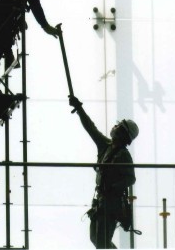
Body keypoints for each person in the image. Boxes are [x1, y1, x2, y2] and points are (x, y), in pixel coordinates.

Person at [69, 96, 139, 248]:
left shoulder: (123, 155)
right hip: (101, 200)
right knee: (95, 238)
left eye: (119, 126)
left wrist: (113, 187)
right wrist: (79, 109)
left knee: (101, 242)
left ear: (123, 133)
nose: (115, 127)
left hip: (111, 203)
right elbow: (91, 128)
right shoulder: (106, 145)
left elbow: (131, 178)